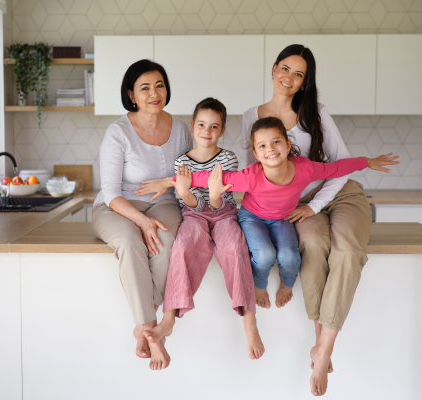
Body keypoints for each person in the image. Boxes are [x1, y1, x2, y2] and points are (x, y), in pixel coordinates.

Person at [241, 44, 380, 397]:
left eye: (298, 74)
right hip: (295, 204)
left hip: (339, 193)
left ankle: (325, 348)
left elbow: (339, 165)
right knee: (314, 246)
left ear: (304, 82)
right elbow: (255, 173)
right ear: (273, 69)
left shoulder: (315, 112)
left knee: (347, 252)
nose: (289, 77)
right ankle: (319, 342)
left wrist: (316, 205)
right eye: (285, 68)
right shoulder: (250, 116)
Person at [136, 98, 263, 370]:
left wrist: (213, 198)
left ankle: (249, 320)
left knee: (234, 245)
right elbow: (189, 205)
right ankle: (168, 318)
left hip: (225, 214)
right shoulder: (182, 162)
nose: (207, 131)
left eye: (214, 126)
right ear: (193, 126)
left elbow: (222, 203)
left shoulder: (228, 158)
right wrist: (184, 194)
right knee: (182, 245)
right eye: (202, 125)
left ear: (222, 130)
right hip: (194, 216)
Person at [91, 59, 191, 362]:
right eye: (144, 87)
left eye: (159, 85)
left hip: (164, 203)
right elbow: (110, 191)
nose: (153, 93)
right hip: (117, 206)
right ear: (131, 95)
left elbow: (191, 173)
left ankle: (143, 329)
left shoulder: (181, 129)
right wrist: (142, 222)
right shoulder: (118, 132)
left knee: (167, 244)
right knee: (129, 241)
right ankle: (150, 329)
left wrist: (173, 185)